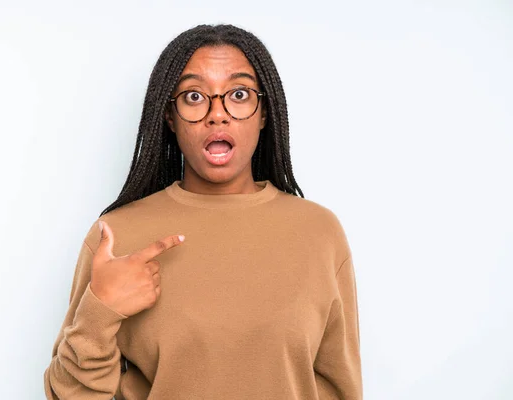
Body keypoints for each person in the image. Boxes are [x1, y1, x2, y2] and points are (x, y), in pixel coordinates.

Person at [44, 24, 362, 400]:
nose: (217, 115)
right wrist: (100, 312)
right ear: (169, 116)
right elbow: (70, 395)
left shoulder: (319, 232)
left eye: (239, 94)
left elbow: (341, 389)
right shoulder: (117, 236)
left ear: (264, 113)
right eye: (194, 96)